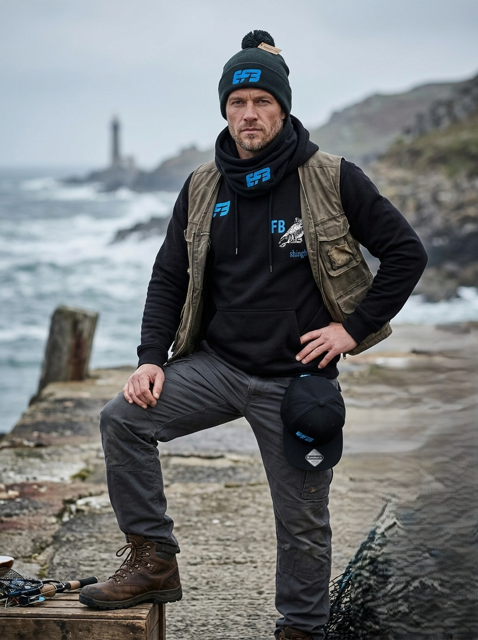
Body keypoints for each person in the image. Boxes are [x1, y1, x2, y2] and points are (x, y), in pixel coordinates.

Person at [79, 30, 428, 639]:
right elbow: (169, 276)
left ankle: (302, 628)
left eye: (262, 101)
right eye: (237, 103)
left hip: (297, 380)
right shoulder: (202, 186)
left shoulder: (330, 177)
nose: (249, 114)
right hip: (216, 366)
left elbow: (406, 253)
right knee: (123, 419)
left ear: (283, 109)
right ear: (224, 110)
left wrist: (352, 329)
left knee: (302, 522)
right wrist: (150, 358)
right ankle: (153, 561)